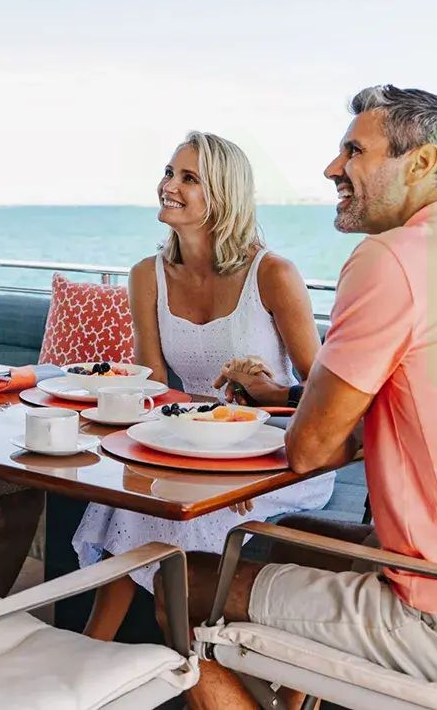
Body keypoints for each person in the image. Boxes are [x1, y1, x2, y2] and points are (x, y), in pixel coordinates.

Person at [164, 86, 437, 709]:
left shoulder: (389, 257)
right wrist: (289, 394)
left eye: (354, 151)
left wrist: (298, 417)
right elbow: (422, 398)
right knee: (285, 534)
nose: (333, 168)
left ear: (421, 163)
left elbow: (310, 449)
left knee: (183, 583)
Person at [72, 131, 334, 641]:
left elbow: (324, 395)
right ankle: (95, 653)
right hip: (189, 446)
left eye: (188, 178)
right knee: (129, 497)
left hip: (273, 452)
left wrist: (264, 407)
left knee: (179, 516)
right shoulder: (147, 274)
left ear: (222, 195)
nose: (169, 185)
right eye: (169, 172)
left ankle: (180, 660)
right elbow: (153, 387)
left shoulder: (273, 274)